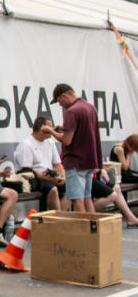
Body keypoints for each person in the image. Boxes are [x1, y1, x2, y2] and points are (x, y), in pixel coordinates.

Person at [42, 84, 101, 213]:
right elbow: (83, 131)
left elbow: (66, 140)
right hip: (89, 160)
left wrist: (51, 132)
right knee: (87, 198)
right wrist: (63, 129)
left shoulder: (71, 112)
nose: (60, 105)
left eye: (59, 102)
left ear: (64, 96)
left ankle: (83, 230)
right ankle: (93, 229)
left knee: (77, 200)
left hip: (76, 161)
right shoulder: (90, 108)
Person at [14, 116, 66, 212]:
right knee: (53, 189)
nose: (53, 129)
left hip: (49, 175)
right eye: (50, 127)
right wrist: (52, 180)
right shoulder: (26, 144)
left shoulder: (50, 142)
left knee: (72, 188)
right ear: (42, 129)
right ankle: (58, 219)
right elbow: (28, 172)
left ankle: (59, 215)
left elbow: (58, 164)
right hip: (35, 178)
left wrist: (63, 176)